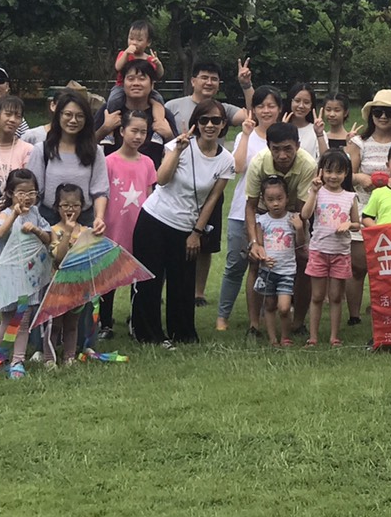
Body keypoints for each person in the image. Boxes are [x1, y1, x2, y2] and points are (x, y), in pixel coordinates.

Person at [132, 100, 234, 347]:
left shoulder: (226, 160)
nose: (209, 125)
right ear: (196, 123)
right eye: (204, 120)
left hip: (186, 227)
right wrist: (177, 150)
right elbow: (162, 180)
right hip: (154, 220)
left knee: (182, 284)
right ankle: (148, 334)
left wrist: (196, 232)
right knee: (150, 281)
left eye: (216, 120)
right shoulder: (177, 146)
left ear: (223, 125)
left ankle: (183, 334)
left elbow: (212, 200)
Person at [217, 86, 284, 330]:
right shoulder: (245, 135)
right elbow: (236, 167)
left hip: (275, 214)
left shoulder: (284, 138)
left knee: (272, 266)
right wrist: (245, 135)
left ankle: (268, 316)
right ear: (253, 110)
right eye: (261, 106)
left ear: (279, 109)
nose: (266, 110)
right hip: (241, 212)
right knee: (236, 266)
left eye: (271, 105)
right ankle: (223, 317)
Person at [242, 123, 319, 336]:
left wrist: (298, 237)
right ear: (268, 146)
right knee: (256, 263)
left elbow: (304, 211)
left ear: (298, 145)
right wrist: (254, 242)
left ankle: (298, 322)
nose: (282, 155)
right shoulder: (258, 163)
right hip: (262, 215)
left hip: (295, 213)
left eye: (288, 148)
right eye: (276, 149)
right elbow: (250, 205)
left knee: (303, 264)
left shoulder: (307, 164)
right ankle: (254, 325)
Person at [0, 169, 49, 377]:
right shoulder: (6, 214)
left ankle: (17, 360)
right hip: (9, 276)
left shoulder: (36, 213)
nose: (27, 197)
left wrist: (36, 230)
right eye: (21, 192)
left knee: (24, 318)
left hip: (28, 276)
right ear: (10, 193)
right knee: (8, 318)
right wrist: (15, 216)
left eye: (32, 192)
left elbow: (48, 237)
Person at [100, 110, 158, 336]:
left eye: (143, 132)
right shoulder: (108, 162)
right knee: (108, 278)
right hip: (113, 229)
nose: (138, 136)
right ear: (122, 131)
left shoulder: (148, 163)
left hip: (140, 230)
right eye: (134, 130)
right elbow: (102, 195)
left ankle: (137, 322)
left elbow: (151, 196)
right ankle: (105, 323)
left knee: (139, 279)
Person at [27, 90, 109, 232]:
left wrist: (99, 218)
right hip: (48, 220)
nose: (73, 120)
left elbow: (100, 191)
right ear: (58, 116)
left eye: (79, 116)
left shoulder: (95, 151)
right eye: (68, 114)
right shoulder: (42, 150)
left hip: (84, 220)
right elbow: (33, 192)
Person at [300, 149, 359, 346]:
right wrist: (314, 191)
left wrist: (348, 225)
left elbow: (357, 223)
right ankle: (313, 336)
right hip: (319, 250)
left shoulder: (350, 196)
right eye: (329, 171)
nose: (333, 176)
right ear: (321, 172)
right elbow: (305, 215)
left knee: (335, 296)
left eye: (339, 172)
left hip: (340, 253)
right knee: (317, 296)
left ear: (346, 173)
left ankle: (334, 336)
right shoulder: (317, 193)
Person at [25, 184, 87, 366]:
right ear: (57, 207)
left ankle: (69, 356)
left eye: (75, 205)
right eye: (65, 205)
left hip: (77, 286)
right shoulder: (53, 231)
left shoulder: (86, 232)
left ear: (82, 207)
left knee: (72, 324)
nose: (70, 209)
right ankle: (49, 357)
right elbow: (59, 257)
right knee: (54, 324)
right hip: (55, 286)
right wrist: (67, 232)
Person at [250, 175, 306, 347]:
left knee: (283, 307)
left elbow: (300, 243)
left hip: (287, 271)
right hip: (268, 271)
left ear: (287, 198)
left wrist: (299, 228)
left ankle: (285, 336)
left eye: (279, 199)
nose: (275, 203)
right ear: (263, 201)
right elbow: (259, 245)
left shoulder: (292, 218)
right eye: (270, 200)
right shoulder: (262, 221)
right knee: (269, 304)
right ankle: (273, 339)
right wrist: (264, 259)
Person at [99, 57, 175, 148]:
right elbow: (85, 145)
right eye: (131, 79)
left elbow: (181, 154)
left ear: (152, 84)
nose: (136, 83)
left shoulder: (164, 114)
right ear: (122, 84)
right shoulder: (108, 111)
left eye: (142, 79)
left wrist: (169, 135)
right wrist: (105, 129)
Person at [348, 89, 391, 195]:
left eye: (389, 113)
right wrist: (359, 178)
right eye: (378, 112)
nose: (383, 117)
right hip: (365, 204)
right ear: (371, 115)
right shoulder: (358, 143)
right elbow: (346, 176)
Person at [167, 58, 255, 131]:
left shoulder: (224, 109)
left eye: (214, 79)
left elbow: (252, 115)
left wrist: (246, 85)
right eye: (204, 78)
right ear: (193, 81)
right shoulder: (173, 107)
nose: (209, 83)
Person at [108, 19, 165, 108]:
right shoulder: (124, 54)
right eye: (131, 38)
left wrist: (158, 64)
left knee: (159, 100)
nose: (134, 42)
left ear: (148, 42)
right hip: (121, 87)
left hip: (145, 90)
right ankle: (113, 116)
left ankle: (158, 119)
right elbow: (118, 67)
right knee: (113, 100)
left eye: (139, 40)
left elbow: (159, 74)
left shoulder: (149, 59)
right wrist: (126, 54)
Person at [283, 81, 325, 159]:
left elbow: (326, 159)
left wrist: (320, 135)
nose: (301, 106)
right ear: (290, 102)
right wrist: (282, 129)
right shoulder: (278, 127)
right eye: (297, 101)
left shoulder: (316, 131)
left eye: (306, 102)